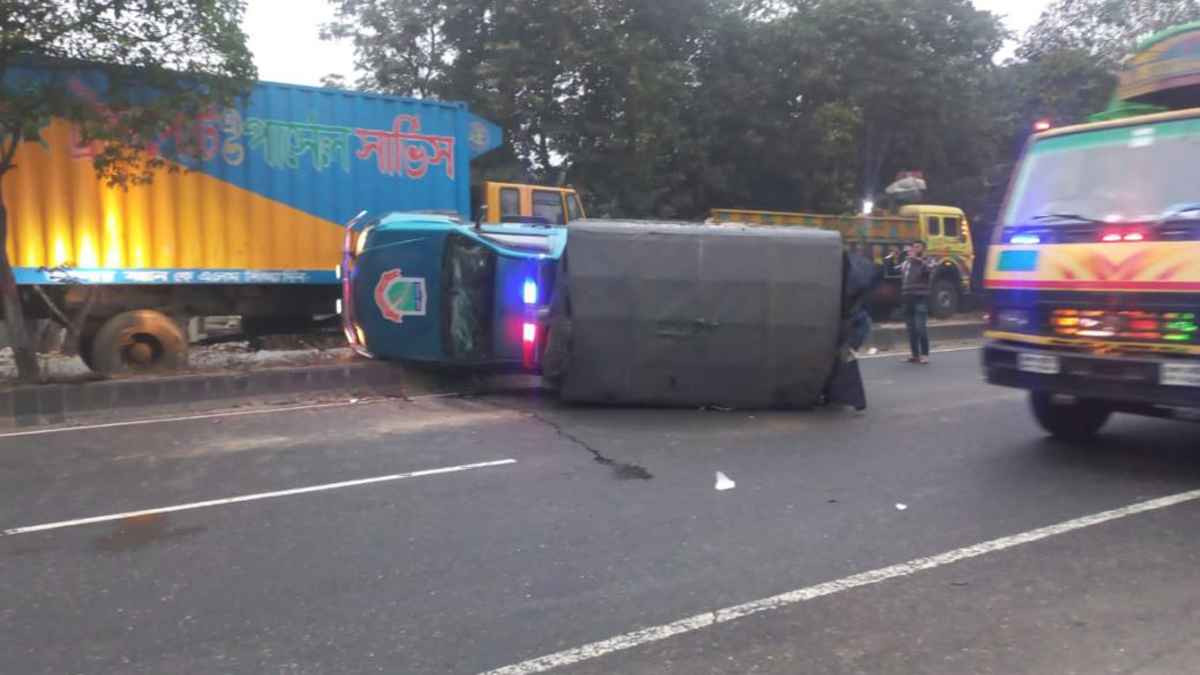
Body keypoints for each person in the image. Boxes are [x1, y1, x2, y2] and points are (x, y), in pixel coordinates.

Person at [888, 241, 937, 364]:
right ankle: (915, 355)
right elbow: (892, 271)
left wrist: (917, 259)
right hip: (907, 299)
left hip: (920, 298)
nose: (914, 249)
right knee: (911, 329)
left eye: (917, 247)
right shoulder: (906, 263)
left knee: (920, 328)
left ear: (923, 249)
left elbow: (931, 268)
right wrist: (890, 258)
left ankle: (925, 355)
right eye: (913, 247)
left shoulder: (928, 260)